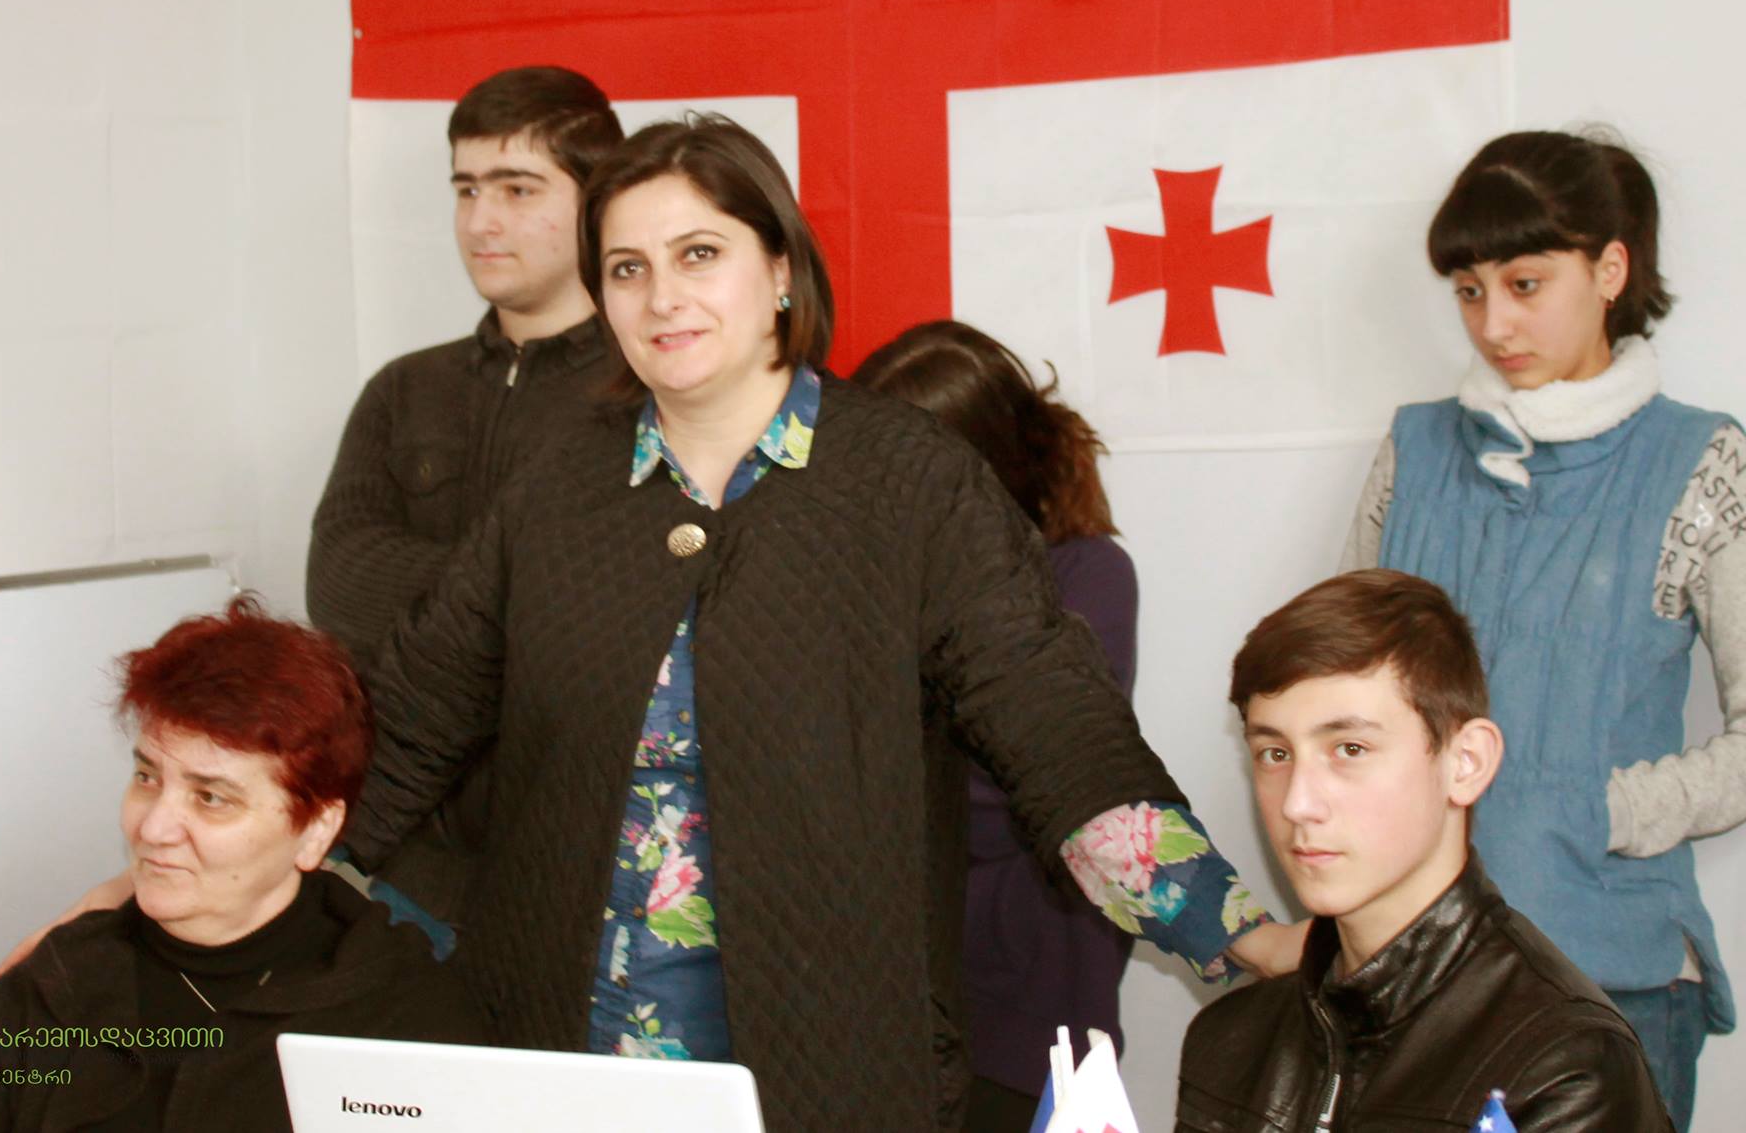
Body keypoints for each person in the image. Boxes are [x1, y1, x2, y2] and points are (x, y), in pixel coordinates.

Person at [339, 114, 1303, 1131]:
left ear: (780, 271)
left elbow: (1057, 733)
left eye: (698, 254)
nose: (662, 297)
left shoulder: (908, 483)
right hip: (559, 1060)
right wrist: (253, 848)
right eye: (626, 268)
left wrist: (1241, 935)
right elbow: (405, 724)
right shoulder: (555, 490)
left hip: (827, 1070)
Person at [1340, 129, 1746, 1127]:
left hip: (1610, 979)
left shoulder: (1697, 459)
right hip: (1409, 972)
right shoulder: (1413, 451)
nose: (1493, 322)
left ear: (1608, 270)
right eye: (1468, 291)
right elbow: (1341, 700)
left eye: (1524, 284)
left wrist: (1594, 811)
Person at [0, 599, 489, 1132]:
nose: (153, 828)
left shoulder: (407, 1022)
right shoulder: (47, 992)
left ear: (316, 830)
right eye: (147, 777)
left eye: (210, 797)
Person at [1177, 569, 1674, 1131]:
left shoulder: (1561, 1068)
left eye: (1350, 748)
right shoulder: (1228, 1041)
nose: (1298, 803)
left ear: (1466, 763)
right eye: (1275, 754)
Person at [307, 64, 621, 914]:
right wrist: (516, 594)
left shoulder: (643, 396)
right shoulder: (404, 390)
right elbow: (338, 584)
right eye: (467, 188)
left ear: (597, 201)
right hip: (400, 862)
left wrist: (522, 606)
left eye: (518, 189)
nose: (481, 221)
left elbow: (610, 631)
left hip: (583, 871)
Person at [852, 320, 1140, 1133]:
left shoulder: (1086, 574)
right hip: (888, 1001)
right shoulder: (863, 586)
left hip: (1028, 1006)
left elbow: (1020, 783)